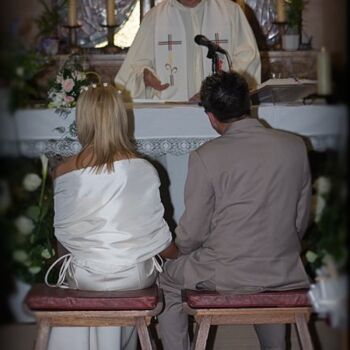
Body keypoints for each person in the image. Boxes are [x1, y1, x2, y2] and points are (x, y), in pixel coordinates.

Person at [157, 71, 312, 350]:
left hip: (228, 271)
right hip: (283, 270)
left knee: (168, 279)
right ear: (248, 105)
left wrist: (178, 251)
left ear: (211, 116)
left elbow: (193, 235)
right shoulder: (295, 147)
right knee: (265, 277)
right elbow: (300, 221)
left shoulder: (206, 156)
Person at [45, 84, 178, 350]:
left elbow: (63, 238)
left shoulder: (62, 171)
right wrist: (179, 253)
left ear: (82, 119)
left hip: (84, 274)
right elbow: (160, 242)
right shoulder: (143, 168)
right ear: (121, 118)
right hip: (134, 275)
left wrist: (69, 268)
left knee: (80, 279)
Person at [115, 0, 261, 101]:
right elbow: (130, 72)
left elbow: (248, 58)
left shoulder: (230, 12)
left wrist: (219, 92)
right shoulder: (155, 18)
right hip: (171, 115)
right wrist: (144, 77)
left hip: (221, 114)